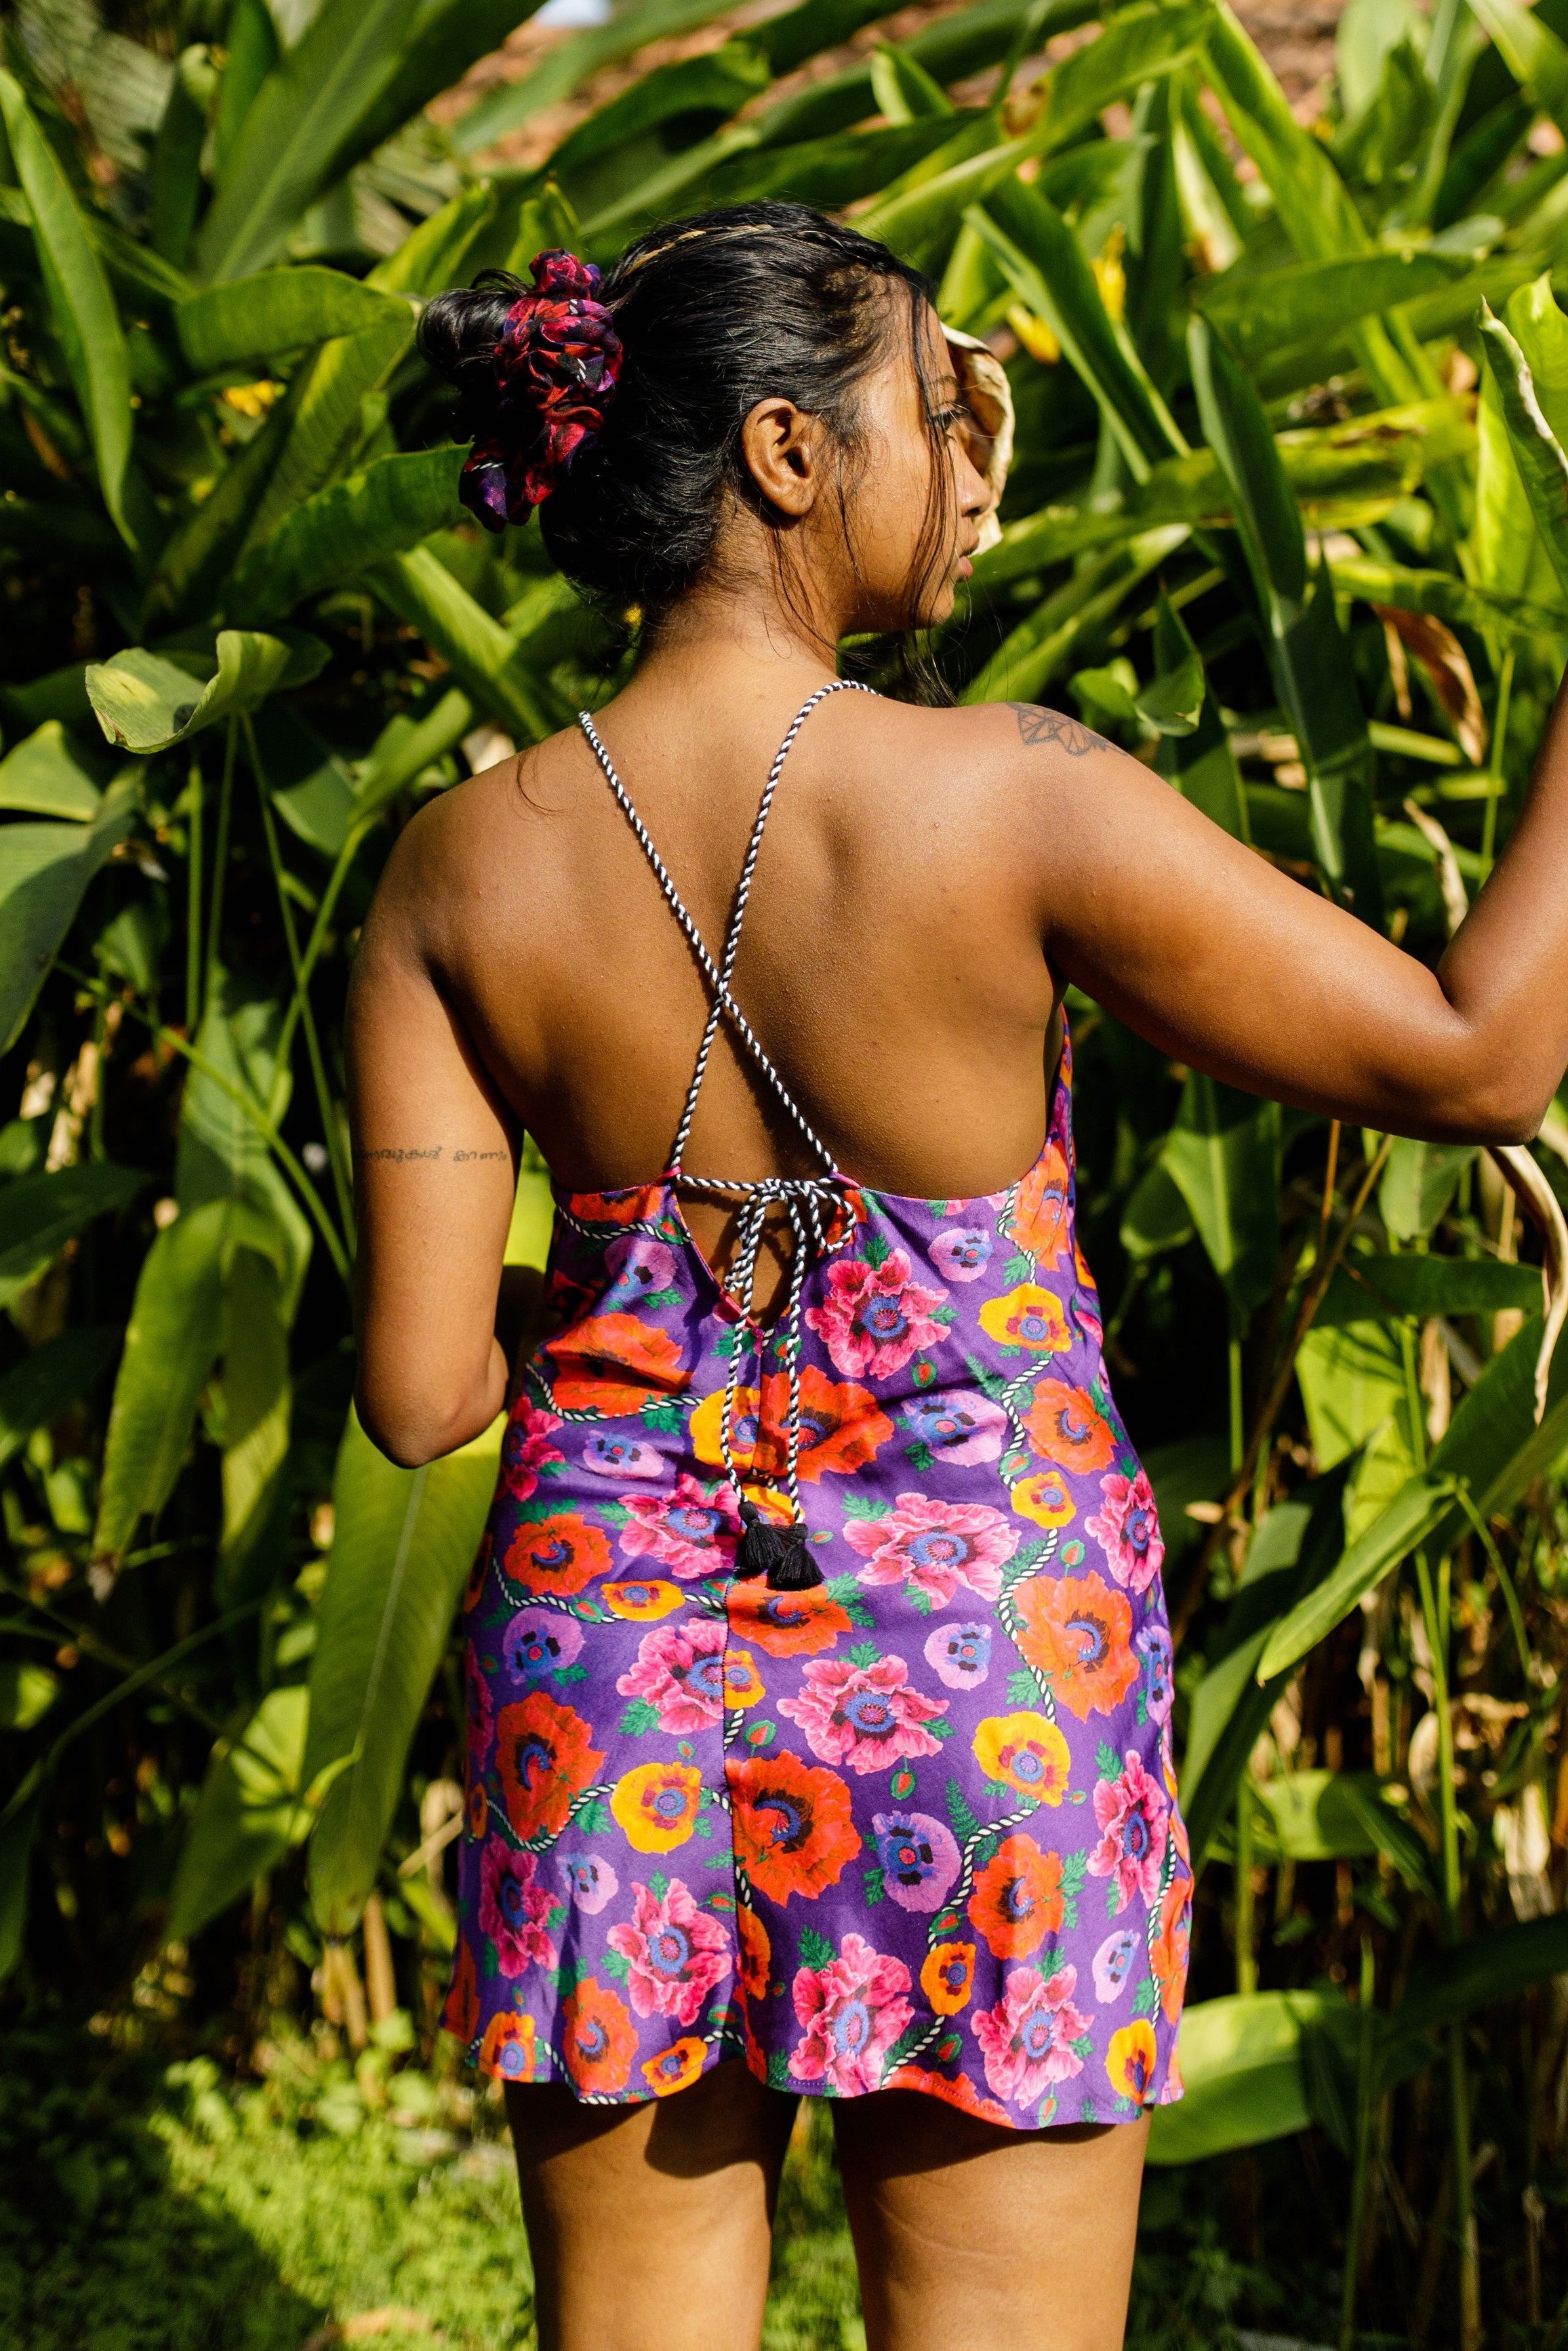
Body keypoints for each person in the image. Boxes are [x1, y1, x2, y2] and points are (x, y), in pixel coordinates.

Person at [346, 202, 1563, 2351]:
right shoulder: (1006, 799)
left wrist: (652, 1322)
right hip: (989, 1671)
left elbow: (427, 1389)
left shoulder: (454, 869)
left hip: (612, 1674)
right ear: (790, 459)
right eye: (933, 411)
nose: (968, 460)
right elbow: (1476, 1057)